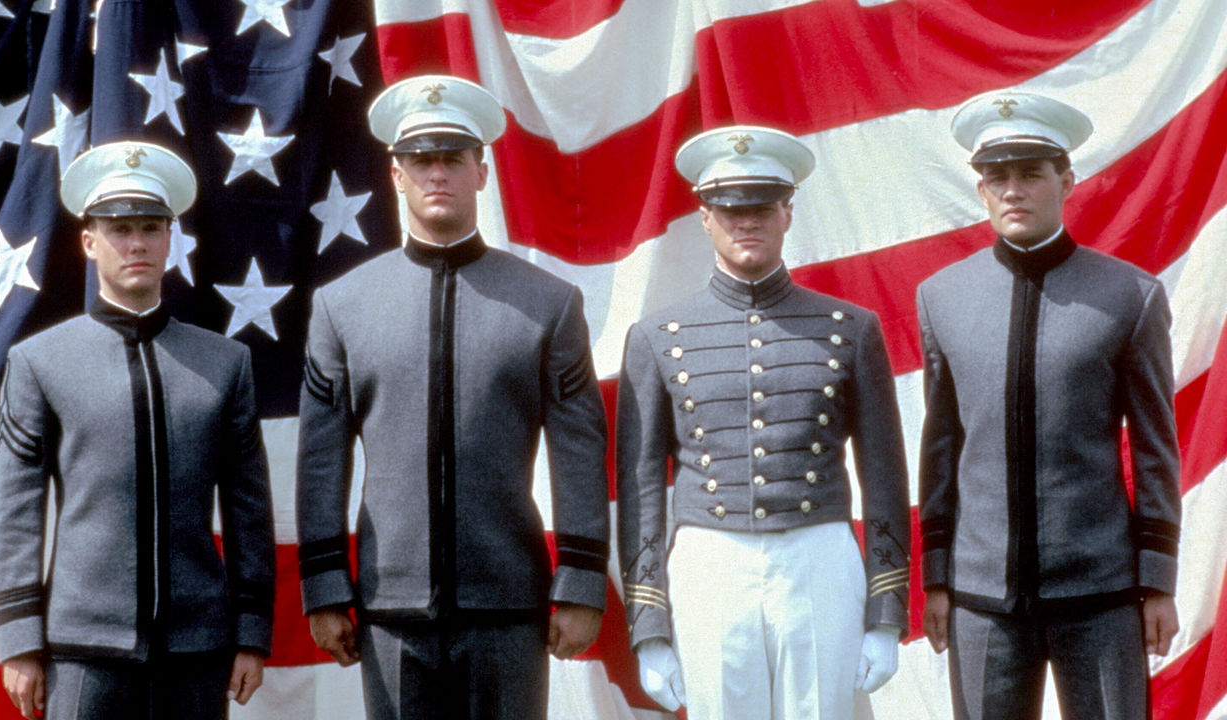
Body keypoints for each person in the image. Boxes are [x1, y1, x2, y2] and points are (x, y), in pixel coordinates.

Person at [295, 74, 610, 720]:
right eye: (421, 160)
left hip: (508, 604)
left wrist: (581, 584)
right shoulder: (343, 307)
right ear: (397, 175)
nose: (437, 173)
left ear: (481, 172)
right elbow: (321, 460)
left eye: (453, 159)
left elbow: (579, 452)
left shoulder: (548, 305)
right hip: (390, 606)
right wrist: (324, 588)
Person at [615, 125, 911, 719]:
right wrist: (649, 625)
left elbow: (885, 476)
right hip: (710, 563)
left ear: (787, 212)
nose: (746, 220)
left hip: (818, 556)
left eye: (762, 206)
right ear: (705, 217)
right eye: (730, 208)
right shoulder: (656, 337)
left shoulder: (851, 330)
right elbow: (641, 487)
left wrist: (886, 611)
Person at [917, 91, 1181, 720]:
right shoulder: (943, 298)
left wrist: (1157, 581)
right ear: (981, 190)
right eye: (997, 176)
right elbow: (940, 448)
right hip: (981, 594)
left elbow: (1155, 450)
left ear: (1066, 181)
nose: (1013, 190)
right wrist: (936, 576)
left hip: (1101, 591)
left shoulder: (1128, 295)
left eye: (1031, 173)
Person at [0, 141, 275, 720]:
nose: (137, 244)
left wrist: (251, 631)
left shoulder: (224, 363)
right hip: (82, 649)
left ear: (171, 239)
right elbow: (15, 510)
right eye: (119, 229)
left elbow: (249, 507)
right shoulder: (40, 362)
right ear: (89, 241)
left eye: (150, 227)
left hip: (197, 649)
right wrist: (19, 639)